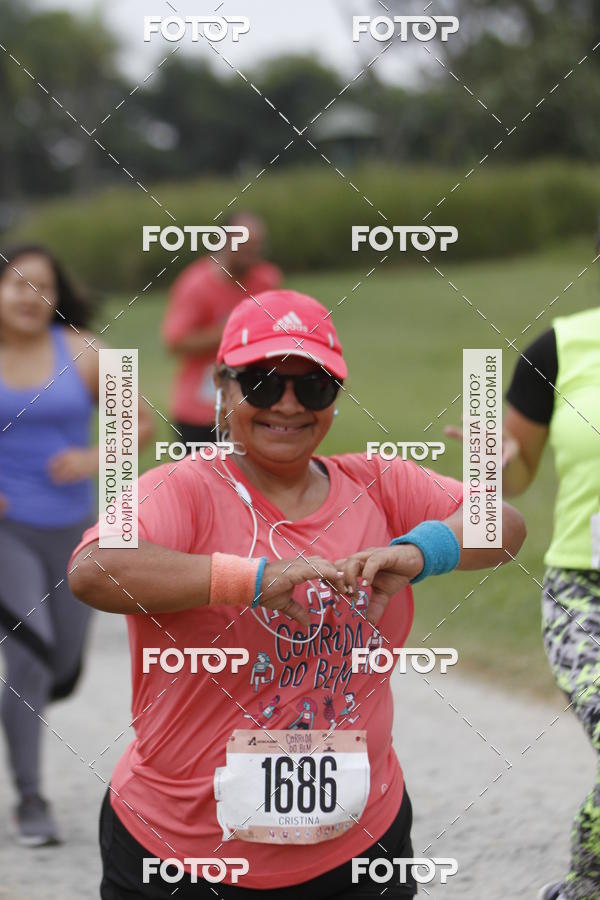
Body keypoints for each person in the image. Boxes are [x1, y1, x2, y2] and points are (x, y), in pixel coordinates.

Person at [69, 289, 526, 898]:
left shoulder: (380, 482)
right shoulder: (182, 489)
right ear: (223, 388)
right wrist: (252, 580)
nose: (287, 405)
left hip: (359, 847)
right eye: (262, 383)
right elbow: (93, 570)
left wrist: (421, 553)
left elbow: (504, 525)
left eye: (313, 387)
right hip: (179, 856)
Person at [0, 244, 154, 846]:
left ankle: (20, 708)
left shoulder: (86, 352)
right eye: (17, 285)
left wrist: (94, 456)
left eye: (44, 287)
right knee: (31, 656)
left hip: (72, 528)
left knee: (61, 669)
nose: (30, 298)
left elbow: (139, 424)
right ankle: (31, 799)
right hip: (6, 531)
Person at [489, 304, 600, 900]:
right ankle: (588, 881)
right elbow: (517, 472)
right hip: (585, 594)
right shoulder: (559, 349)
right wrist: (491, 465)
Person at [162, 212, 282, 446]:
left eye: (257, 249)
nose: (252, 256)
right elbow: (175, 342)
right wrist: (236, 328)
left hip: (253, 404)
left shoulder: (266, 279)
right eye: (245, 248)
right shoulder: (195, 284)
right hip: (201, 412)